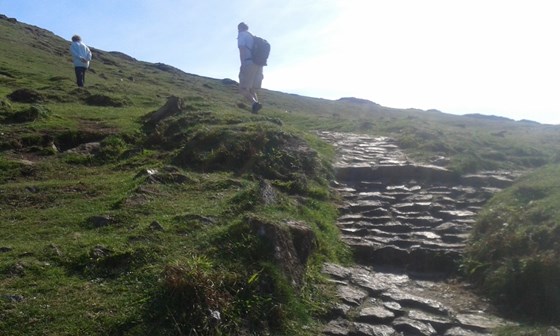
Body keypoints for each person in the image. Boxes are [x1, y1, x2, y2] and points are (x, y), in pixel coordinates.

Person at [237, 22, 263, 113]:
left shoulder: (242, 35)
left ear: (239, 28)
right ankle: (256, 106)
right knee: (252, 89)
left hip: (248, 63)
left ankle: (255, 104)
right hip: (259, 64)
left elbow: (242, 50)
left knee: (243, 88)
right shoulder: (252, 37)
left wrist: (243, 64)